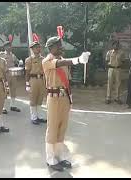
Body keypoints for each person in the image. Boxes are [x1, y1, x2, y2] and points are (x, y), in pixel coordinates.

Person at [42, 36, 90, 171]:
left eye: (61, 44)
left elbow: (66, 82)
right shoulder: (47, 61)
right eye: (58, 45)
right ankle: (50, 158)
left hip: (64, 97)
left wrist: (70, 97)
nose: (61, 46)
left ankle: (59, 156)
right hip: (54, 98)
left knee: (62, 128)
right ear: (51, 48)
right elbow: (59, 64)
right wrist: (78, 60)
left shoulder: (62, 61)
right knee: (52, 129)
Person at [25, 41, 47, 125]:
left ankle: (39, 116)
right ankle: (34, 117)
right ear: (32, 49)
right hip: (33, 79)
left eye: (38, 47)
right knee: (33, 99)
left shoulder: (43, 59)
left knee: (40, 98)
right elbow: (27, 72)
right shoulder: (29, 60)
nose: (38, 49)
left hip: (41, 80)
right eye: (35, 47)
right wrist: (27, 83)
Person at [0, 41, 22, 113]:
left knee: (13, 90)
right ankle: (3, 107)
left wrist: (20, 62)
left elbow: (17, 62)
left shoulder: (13, 55)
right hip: (5, 75)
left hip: (13, 75)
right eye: (7, 46)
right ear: (4, 47)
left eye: (10, 46)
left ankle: (13, 105)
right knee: (4, 91)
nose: (9, 47)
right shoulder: (1, 55)